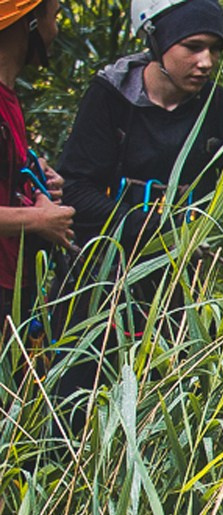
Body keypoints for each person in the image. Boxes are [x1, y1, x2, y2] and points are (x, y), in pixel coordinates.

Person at [48, 0, 223, 404]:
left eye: (215, 49)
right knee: (76, 398)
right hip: (97, 277)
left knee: (174, 398)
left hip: (178, 282)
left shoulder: (222, 110)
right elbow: (76, 190)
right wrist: (147, 225)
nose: (206, 62)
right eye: (193, 46)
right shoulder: (111, 98)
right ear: (157, 40)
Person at [0, 0, 71, 326]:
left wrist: (29, 174)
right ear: (29, 21)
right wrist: (38, 219)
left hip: (13, 288)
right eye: (54, 17)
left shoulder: (8, 97)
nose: (54, 30)